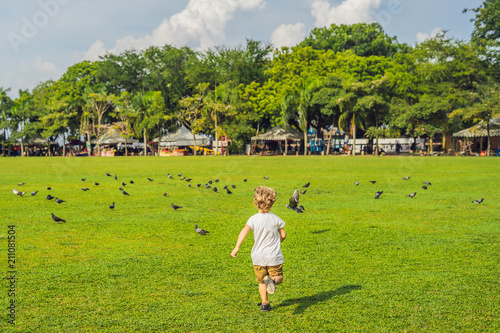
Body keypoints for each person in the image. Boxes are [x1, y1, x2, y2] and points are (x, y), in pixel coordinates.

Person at [231, 186, 286, 312]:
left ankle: (265, 304)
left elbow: (244, 231)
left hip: (258, 256)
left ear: (256, 202)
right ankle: (272, 281)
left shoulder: (253, 219)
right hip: (273, 255)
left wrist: (237, 247)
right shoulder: (275, 218)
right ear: (271, 203)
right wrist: (278, 243)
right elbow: (283, 235)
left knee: (262, 281)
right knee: (278, 277)